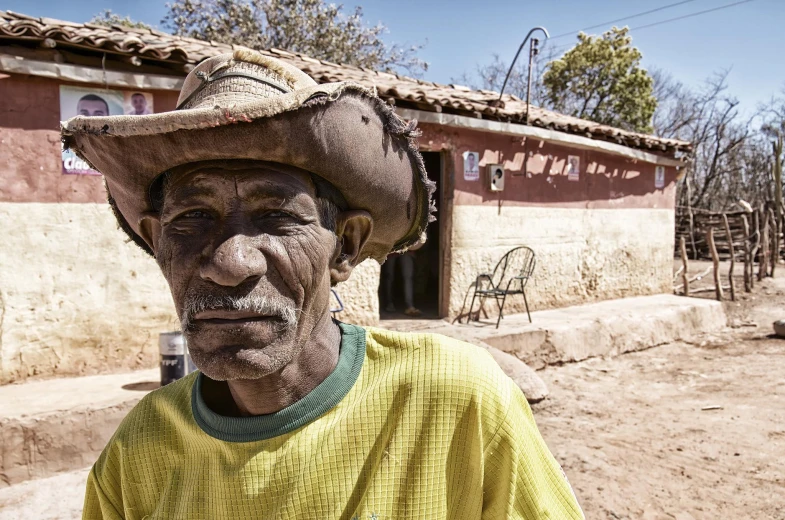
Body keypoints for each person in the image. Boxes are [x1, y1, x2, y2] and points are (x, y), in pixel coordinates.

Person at [62, 49, 583, 519]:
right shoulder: (137, 456)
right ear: (157, 243)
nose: (229, 261)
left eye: (277, 216)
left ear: (346, 246)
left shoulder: (455, 402)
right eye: (192, 217)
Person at [382, 242, 422, 316]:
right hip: (391, 249)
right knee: (389, 276)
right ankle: (389, 303)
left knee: (408, 277)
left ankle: (409, 305)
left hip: (407, 249)